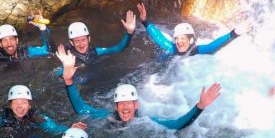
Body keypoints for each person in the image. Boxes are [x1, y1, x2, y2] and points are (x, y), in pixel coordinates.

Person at [55, 46, 221, 130]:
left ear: (137, 105)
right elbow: (81, 108)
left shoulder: (146, 123)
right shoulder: (107, 117)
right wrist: (68, 80)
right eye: (121, 103)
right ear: (115, 106)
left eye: (129, 103)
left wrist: (200, 106)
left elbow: (177, 125)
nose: (126, 107)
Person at [136, 3, 249, 58]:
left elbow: (214, 45)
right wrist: (145, 21)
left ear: (190, 41)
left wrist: (234, 33)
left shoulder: (197, 51)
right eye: (177, 38)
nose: (179, 41)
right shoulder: (173, 48)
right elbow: (159, 37)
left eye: (182, 38)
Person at [0, 84, 68, 136]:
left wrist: (70, 130)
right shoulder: (3, 120)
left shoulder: (39, 119)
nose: (19, 106)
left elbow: (56, 129)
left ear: (30, 106)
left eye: (24, 102)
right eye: (16, 102)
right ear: (10, 105)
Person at [64, 11, 136, 66]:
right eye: (77, 41)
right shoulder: (68, 59)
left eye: (83, 40)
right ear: (71, 43)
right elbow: (58, 74)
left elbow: (118, 48)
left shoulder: (95, 52)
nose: (81, 44)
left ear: (89, 39)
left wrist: (129, 32)